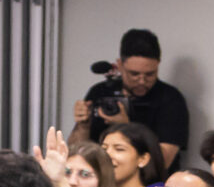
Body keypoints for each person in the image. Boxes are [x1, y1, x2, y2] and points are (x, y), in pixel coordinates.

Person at [74, 29, 188, 166]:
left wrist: (126, 128)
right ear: (120, 65)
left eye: (150, 74)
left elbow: (162, 163)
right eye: (134, 74)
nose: (142, 81)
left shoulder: (170, 99)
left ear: (158, 64)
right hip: (101, 181)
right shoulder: (100, 92)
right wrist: (83, 126)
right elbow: (75, 154)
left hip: (150, 185)